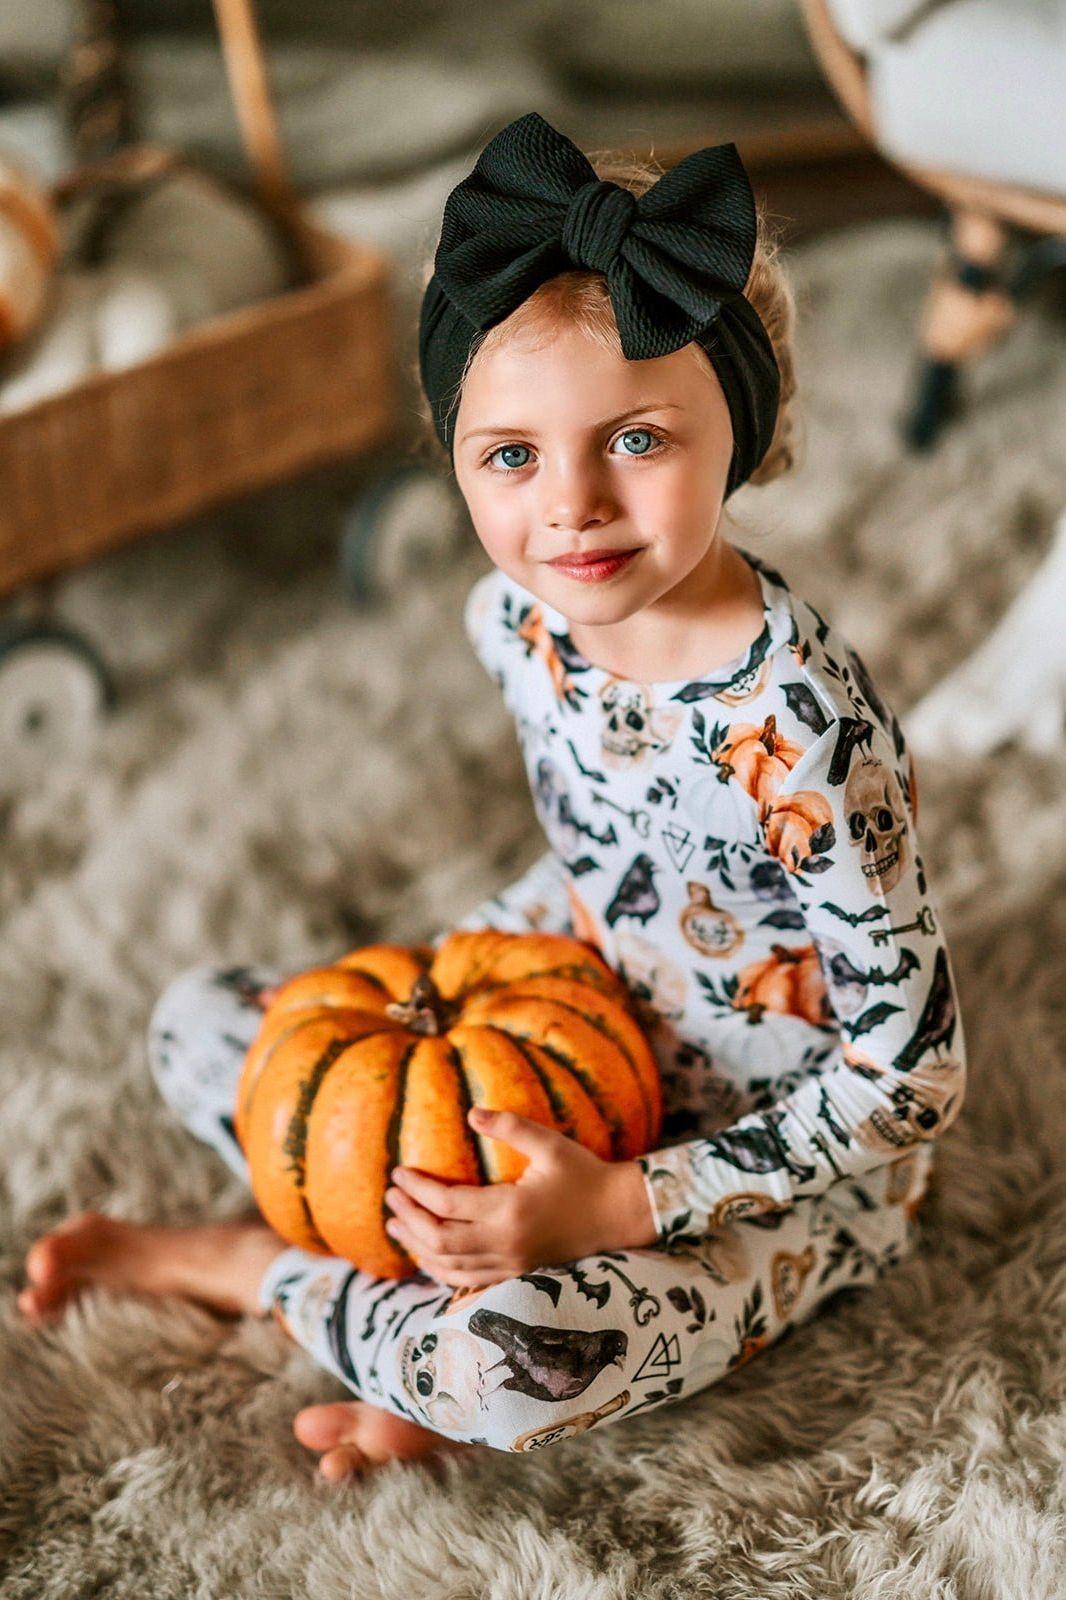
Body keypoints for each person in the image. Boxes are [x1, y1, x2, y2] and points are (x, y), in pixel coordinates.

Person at [18, 111, 967, 1478]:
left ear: (739, 432)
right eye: (509, 456)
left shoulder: (800, 729)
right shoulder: (514, 620)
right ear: (455, 456)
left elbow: (914, 1075)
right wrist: (441, 1018)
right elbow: (605, 860)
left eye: (635, 440)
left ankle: (269, 1276)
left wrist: (622, 1203)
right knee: (205, 1032)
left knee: (515, 1356)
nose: (568, 507)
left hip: (768, 1167)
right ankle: (417, 1288)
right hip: (570, 1047)